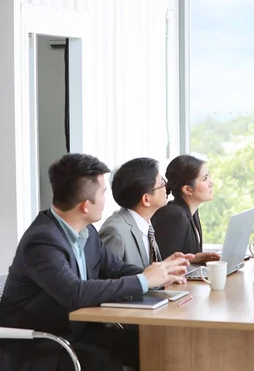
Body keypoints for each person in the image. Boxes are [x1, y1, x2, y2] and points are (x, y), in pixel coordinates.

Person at [0, 153, 194, 371]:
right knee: (106, 364)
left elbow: (115, 268)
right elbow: (75, 293)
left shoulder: (86, 231)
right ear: (85, 205)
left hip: (80, 334)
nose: (106, 199)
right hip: (42, 345)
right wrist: (143, 280)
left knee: (157, 347)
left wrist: (161, 274)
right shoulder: (42, 241)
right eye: (102, 193)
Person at [100, 157, 168, 269]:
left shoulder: (146, 225)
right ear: (146, 199)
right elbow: (108, 281)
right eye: (162, 183)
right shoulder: (115, 232)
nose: (166, 187)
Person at [151, 154, 220, 264]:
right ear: (187, 189)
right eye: (205, 179)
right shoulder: (174, 216)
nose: (211, 183)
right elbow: (164, 265)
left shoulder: (193, 211)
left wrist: (195, 258)